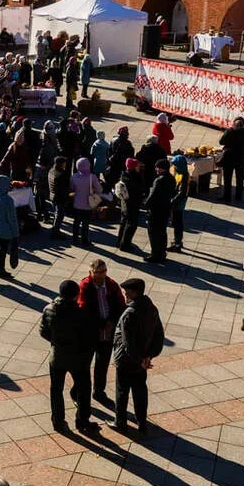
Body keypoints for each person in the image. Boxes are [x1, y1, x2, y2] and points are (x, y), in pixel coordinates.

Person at [40, 279, 96, 434]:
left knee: (56, 390)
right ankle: (82, 421)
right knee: (84, 390)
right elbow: (89, 336)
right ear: (76, 295)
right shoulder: (81, 313)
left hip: (57, 357)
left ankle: (58, 421)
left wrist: (56, 342)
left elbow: (43, 332)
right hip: (78, 359)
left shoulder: (49, 309)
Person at [112, 278, 164, 435]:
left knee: (122, 391)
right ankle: (142, 422)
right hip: (142, 361)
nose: (125, 295)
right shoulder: (152, 308)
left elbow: (128, 343)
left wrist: (140, 359)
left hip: (127, 360)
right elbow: (159, 335)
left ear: (135, 292)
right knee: (140, 391)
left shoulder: (130, 313)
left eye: (127, 292)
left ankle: (120, 422)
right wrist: (149, 356)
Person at [77, 259, 125, 409]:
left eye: (103, 271)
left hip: (107, 331)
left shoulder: (111, 285)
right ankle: (77, 391)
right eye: (97, 272)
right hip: (92, 331)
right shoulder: (85, 286)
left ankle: (99, 391)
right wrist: (100, 324)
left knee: (102, 363)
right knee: (85, 364)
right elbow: (84, 309)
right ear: (90, 272)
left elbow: (120, 305)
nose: (101, 275)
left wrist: (111, 322)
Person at [0, 174, 20, 278]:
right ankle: (0, 270)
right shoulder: (8, 200)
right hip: (5, 230)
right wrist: (16, 233)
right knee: (2, 250)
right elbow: (12, 219)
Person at [143, 158, 174, 264]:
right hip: (165, 209)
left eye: (157, 167)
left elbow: (153, 195)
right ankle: (162, 252)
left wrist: (145, 204)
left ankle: (155, 254)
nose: (156, 169)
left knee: (153, 233)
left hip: (156, 210)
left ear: (162, 169)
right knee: (162, 232)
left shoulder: (159, 180)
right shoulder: (171, 178)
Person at [218, 117, 244, 203]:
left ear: (234, 124)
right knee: (240, 178)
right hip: (241, 159)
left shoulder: (229, 132)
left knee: (227, 178)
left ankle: (227, 196)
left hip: (229, 158)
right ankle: (238, 196)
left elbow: (221, 142)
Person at [69, 157, 102, 248]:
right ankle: (84, 240)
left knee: (76, 222)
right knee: (85, 223)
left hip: (77, 203)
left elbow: (71, 189)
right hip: (88, 204)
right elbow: (99, 190)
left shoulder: (74, 176)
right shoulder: (92, 177)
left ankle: (75, 239)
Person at [116, 158, 144, 252]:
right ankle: (125, 244)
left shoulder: (123, 174)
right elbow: (139, 189)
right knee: (131, 224)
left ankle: (119, 241)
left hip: (124, 202)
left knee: (123, 222)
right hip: (133, 203)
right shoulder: (135, 176)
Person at [169, 155, 190, 252]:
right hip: (177, 201)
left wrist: (172, 201)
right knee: (176, 222)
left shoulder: (184, 176)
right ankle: (177, 241)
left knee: (177, 223)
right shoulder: (180, 173)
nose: (174, 167)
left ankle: (177, 243)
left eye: (176, 165)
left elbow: (181, 192)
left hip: (178, 203)